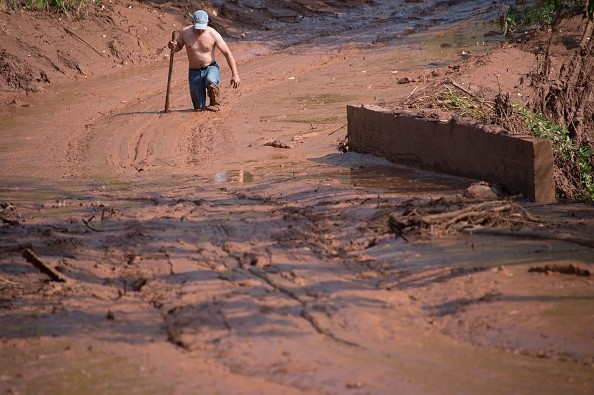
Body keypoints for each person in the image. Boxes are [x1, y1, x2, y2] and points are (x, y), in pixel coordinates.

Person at [168, 10, 240, 112]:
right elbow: (178, 46)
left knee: (211, 80)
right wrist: (173, 46)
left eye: (202, 28)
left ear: (207, 23)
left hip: (210, 67)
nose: (200, 31)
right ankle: (201, 105)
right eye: (198, 28)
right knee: (198, 107)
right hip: (194, 72)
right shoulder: (185, 32)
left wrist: (235, 74)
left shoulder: (213, 34)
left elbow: (227, 53)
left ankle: (215, 103)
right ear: (192, 22)